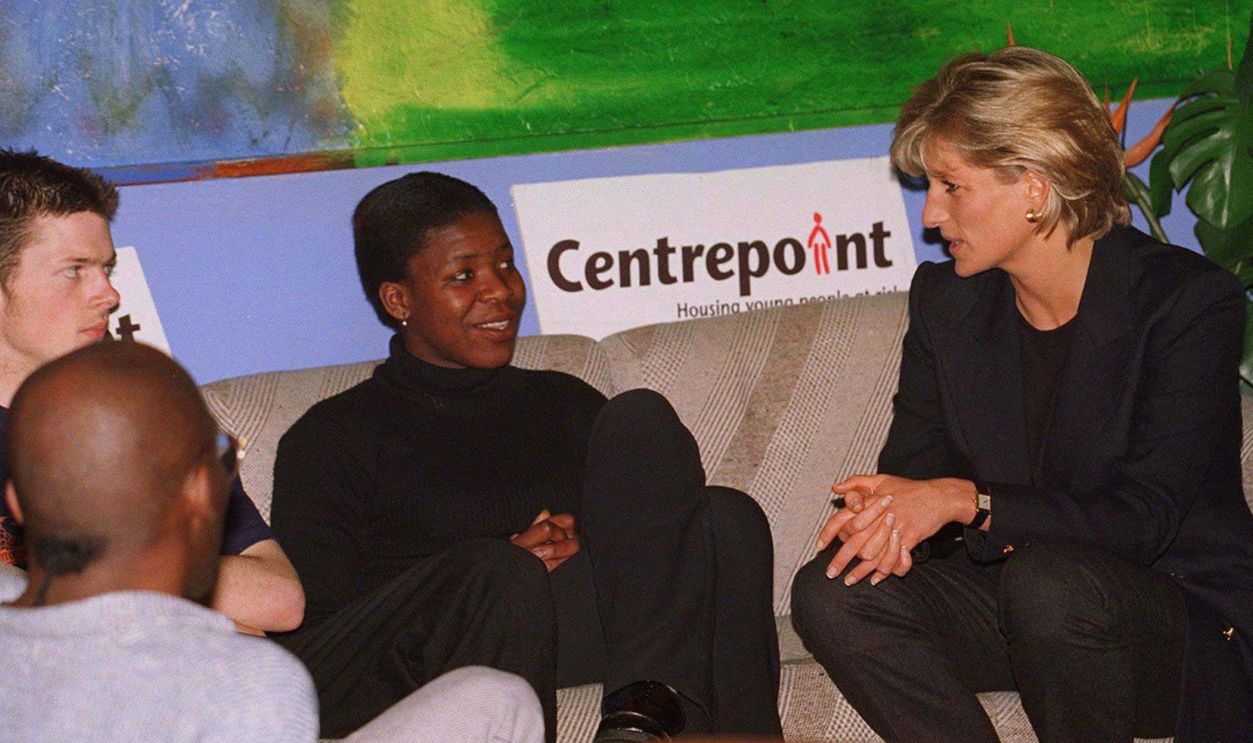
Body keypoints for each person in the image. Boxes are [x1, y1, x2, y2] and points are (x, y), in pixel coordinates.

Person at [790, 46, 1253, 743]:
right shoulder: (947, 305)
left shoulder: (1185, 303)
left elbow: (1142, 518)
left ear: (1034, 188)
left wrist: (967, 501)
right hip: (1018, 602)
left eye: (951, 187)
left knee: (1049, 581)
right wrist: (888, 513)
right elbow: (916, 470)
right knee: (831, 589)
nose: (930, 217)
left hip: (1172, 618)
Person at [269, 172, 783, 742]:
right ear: (399, 300)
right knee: (501, 574)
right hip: (444, 656)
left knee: (719, 512)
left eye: (505, 265)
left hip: (584, 629)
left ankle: (642, 717)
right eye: (463, 276)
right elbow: (321, 641)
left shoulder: (565, 402)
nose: (501, 292)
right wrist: (495, 565)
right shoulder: (332, 437)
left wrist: (592, 539)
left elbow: (656, 545)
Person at [0, 341, 546, 743]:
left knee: (496, 697)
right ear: (200, 493)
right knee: (505, 703)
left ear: (19, 505)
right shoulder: (250, 683)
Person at [0, 148, 304, 634]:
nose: (110, 295)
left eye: (107, 269)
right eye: (75, 270)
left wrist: (89, 575)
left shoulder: (140, 417)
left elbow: (278, 599)